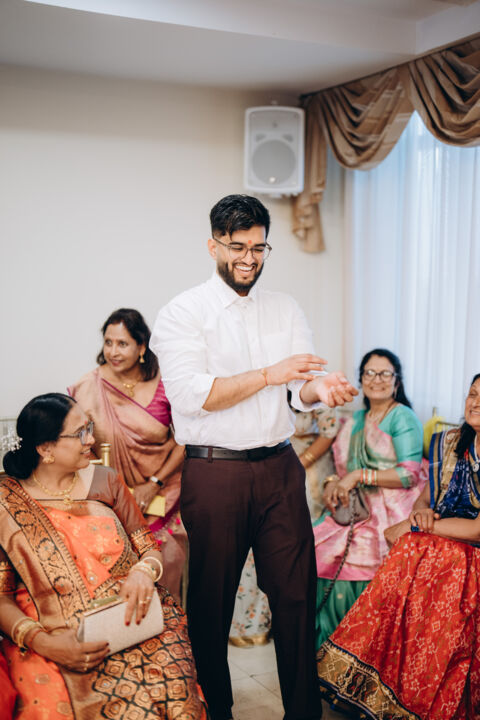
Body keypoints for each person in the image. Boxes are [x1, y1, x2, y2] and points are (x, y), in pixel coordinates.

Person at [150, 194, 358, 720]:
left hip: (280, 469)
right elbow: (193, 396)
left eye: (258, 247)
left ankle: (302, 713)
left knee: (295, 597)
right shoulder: (182, 313)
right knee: (211, 603)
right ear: (213, 245)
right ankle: (215, 711)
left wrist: (321, 389)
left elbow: (298, 388)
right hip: (214, 471)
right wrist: (270, 373)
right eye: (237, 246)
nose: (249, 258)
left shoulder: (285, 308)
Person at [0, 393, 208, 720]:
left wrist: (142, 572)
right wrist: (43, 643)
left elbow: (148, 549)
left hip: (130, 617)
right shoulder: (7, 501)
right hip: (51, 631)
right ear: (45, 448)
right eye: (80, 433)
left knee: (176, 701)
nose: (91, 440)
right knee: (49, 705)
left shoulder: (106, 480)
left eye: (90, 428)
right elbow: (1, 596)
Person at [317, 372, 480, 720]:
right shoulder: (451, 442)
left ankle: (419, 695)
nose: (476, 403)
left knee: (419, 550)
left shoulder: (403, 418)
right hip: (436, 534)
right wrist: (420, 513)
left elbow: (478, 528)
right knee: (407, 549)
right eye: (472, 394)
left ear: (396, 381)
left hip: (468, 545)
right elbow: (426, 495)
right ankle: (382, 679)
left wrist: (419, 525)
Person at [69, 308, 186, 600]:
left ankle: (166, 620)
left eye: (122, 344)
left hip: (164, 493)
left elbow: (185, 440)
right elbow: (77, 442)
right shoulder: (88, 387)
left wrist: (154, 483)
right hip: (109, 497)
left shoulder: (166, 385)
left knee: (164, 562)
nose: (113, 351)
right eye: (108, 342)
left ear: (142, 347)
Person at [314, 348, 426, 649]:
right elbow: (342, 470)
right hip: (358, 504)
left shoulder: (402, 417)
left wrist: (358, 476)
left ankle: (360, 648)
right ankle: (328, 651)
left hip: (395, 504)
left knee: (357, 550)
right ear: (361, 379)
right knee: (316, 543)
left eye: (385, 373)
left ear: (397, 381)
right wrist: (333, 483)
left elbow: (409, 474)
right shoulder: (357, 418)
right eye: (370, 373)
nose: (377, 379)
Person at [229, 403, 338, 647]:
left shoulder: (311, 385)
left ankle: (288, 626)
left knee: (286, 547)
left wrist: (298, 463)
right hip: (262, 466)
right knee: (251, 546)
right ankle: (252, 623)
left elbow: (328, 432)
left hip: (306, 468)